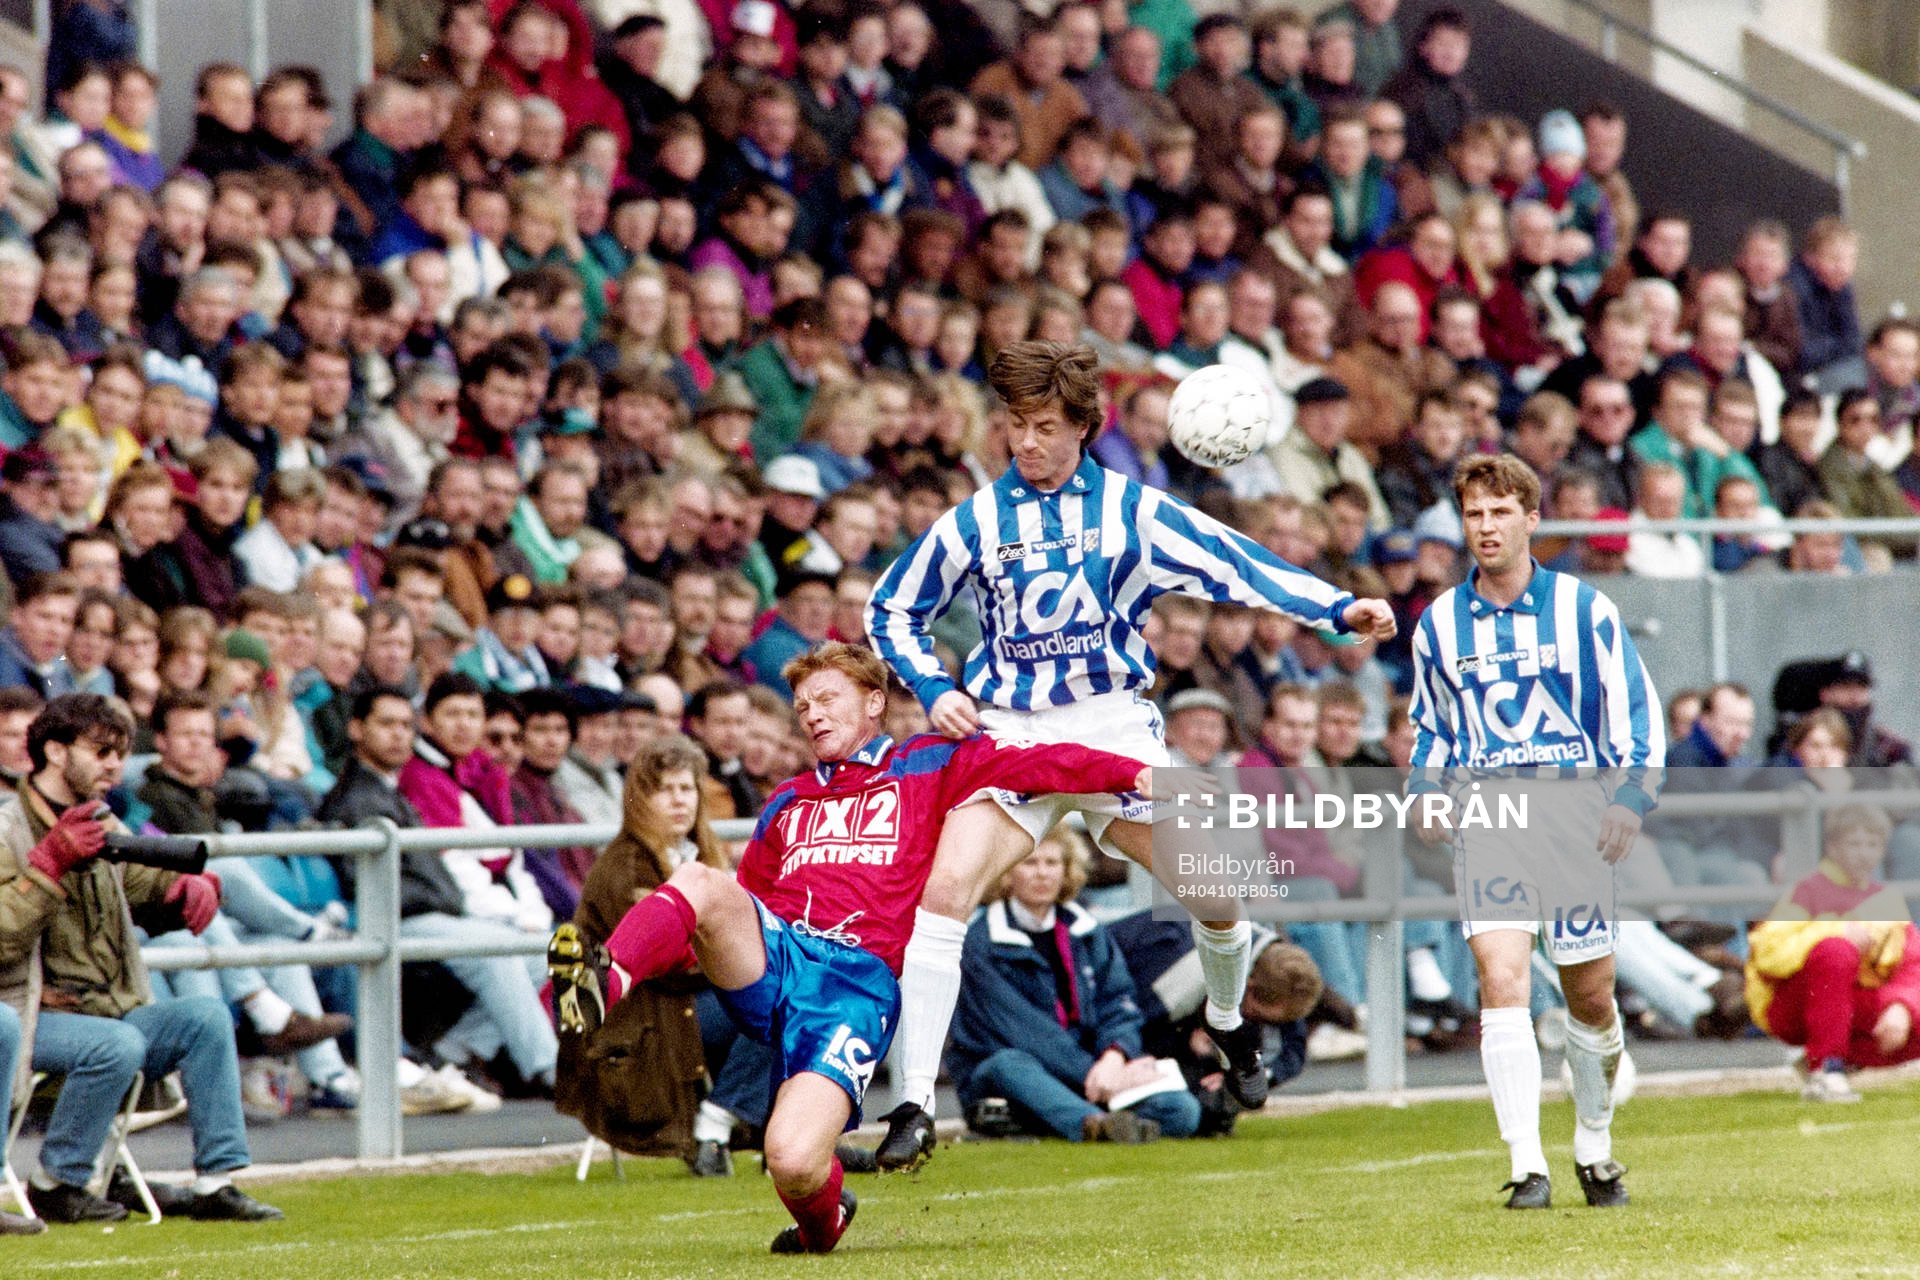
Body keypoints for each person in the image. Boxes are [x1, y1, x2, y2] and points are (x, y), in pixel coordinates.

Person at [865, 339, 1396, 1168]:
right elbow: (889, 610)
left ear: (1083, 426)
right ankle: (911, 1107)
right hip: (1013, 730)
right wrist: (934, 689)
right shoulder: (973, 518)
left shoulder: (1133, 510)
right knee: (943, 894)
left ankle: (1225, 1022)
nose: (1027, 442)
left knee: (1219, 899)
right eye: (1015, 425)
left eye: (1045, 426)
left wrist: (1336, 608)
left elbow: (1234, 564)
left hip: (1113, 725)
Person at [547, 641, 1156, 1253]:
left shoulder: (928, 763)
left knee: (790, 1159)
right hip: (778, 959)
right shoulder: (786, 802)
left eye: (826, 699)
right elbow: (738, 910)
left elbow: (1040, 762)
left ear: (873, 701)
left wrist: (1137, 774)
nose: (811, 713)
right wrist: (671, 949)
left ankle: (825, 1219)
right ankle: (606, 980)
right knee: (702, 880)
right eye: (803, 704)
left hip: (854, 988)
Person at [1409, 453, 1662, 1211]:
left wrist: (1628, 802)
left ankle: (1594, 1142)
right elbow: (1431, 729)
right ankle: (1527, 1165)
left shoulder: (1587, 611)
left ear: (1531, 518)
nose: (1485, 527)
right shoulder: (1441, 625)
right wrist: (1424, 789)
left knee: (1593, 997)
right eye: (1473, 514)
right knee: (1503, 978)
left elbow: (1637, 718)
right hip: (1491, 818)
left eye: (1498, 512)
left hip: (1574, 818)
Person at [0, 693, 282, 1222]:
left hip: (106, 1010)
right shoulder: (6, 829)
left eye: (121, 751)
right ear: (56, 752)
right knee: (118, 1042)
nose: (114, 764)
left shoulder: (101, 822)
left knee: (204, 1018)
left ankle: (216, 1182)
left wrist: (186, 890)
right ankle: (57, 1180)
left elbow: (143, 880)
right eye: (101, 750)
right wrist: (48, 869)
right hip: (29, 1014)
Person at [947, 830, 1202, 1143]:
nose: (1042, 873)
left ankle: (1065, 1120)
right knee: (1008, 1064)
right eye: (1030, 863)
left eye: (1052, 862)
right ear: (1006, 873)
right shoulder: (980, 944)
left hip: (1093, 1073)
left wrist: (1115, 1056)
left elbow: (1119, 1002)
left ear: (1066, 870)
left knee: (1182, 1112)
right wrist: (1095, 1075)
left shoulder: (1087, 931)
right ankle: (1091, 1124)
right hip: (1013, 1074)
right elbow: (1025, 1032)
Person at [1745, 803, 1920, 1102]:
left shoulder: (1887, 899)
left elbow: (1912, 965)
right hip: (1791, 1004)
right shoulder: (1807, 891)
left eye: (1873, 844)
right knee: (1836, 952)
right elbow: (1768, 955)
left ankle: (1836, 1058)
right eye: (1854, 844)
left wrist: (1901, 1007)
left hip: (1851, 1002)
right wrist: (1835, 932)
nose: (1864, 853)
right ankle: (1826, 1066)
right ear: (1833, 847)